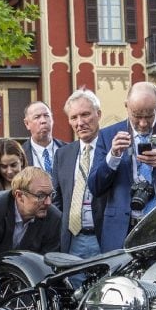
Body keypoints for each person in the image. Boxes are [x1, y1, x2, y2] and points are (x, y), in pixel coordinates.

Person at [88, 81, 156, 252]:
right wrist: (113, 156)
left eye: (149, 116)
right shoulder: (108, 135)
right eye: (137, 115)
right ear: (127, 107)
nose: (142, 123)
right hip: (120, 232)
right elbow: (95, 187)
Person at [52, 89, 105, 257]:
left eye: (85, 115)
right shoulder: (62, 154)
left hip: (105, 240)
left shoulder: (112, 150)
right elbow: (57, 200)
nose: (80, 122)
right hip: (72, 241)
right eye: (73, 117)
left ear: (98, 114)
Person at [0, 167, 62, 262]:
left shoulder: (54, 218)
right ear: (19, 196)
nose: (48, 202)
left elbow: (47, 262)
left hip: (24, 273)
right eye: (41, 196)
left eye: (50, 195)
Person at [22, 101, 64, 174]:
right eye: (37, 117)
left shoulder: (68, 150)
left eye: (46, 116)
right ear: (27, 124)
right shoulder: (20, 154)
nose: (43, 121)